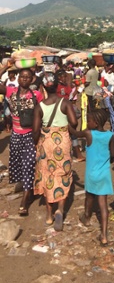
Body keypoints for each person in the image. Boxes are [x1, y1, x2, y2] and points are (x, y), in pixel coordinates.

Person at [33, 72, 77, 230]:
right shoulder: (64, 103)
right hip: (63, 141)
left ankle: (49, 215)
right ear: (58, 85)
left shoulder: (40, 106)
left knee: (47, 174)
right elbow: (74, 122)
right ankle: (60, 209)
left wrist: (36, 145)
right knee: (62, 174)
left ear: (43, 86)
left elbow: (35, 130)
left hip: (46, 143)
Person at [0, 62, 44, 216]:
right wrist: (6, 67)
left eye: (28, 77)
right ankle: (29, 188)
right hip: (15, 135)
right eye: (22, 77)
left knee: (28, 165)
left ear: (32, 79)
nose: (25, 79)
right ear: (18, 78)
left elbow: (43, 113)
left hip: (31, 135)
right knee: (18, 165)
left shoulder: (37, 95)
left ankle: (25, 200)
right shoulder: (10, 91)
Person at [69, 109, 114, 245]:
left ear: (95, 123)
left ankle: (87, 218)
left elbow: (75, 133)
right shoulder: (110, 135)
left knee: (89, 197)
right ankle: (104, 235)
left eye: (88, 121)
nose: (86, 123)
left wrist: (68, 124)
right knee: (103, 204)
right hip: (104, 173)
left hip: (91, 173)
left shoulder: (88, 134)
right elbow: (113, 154)